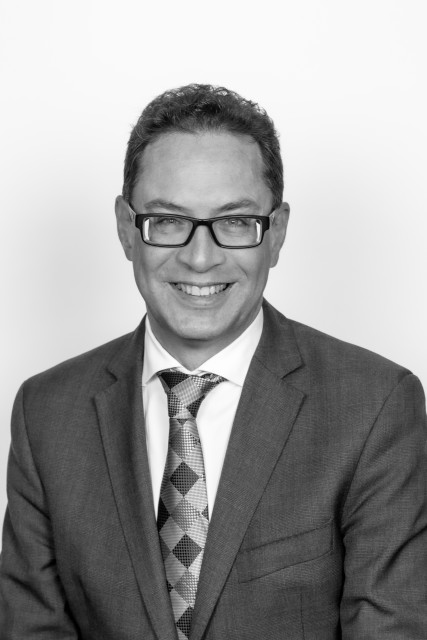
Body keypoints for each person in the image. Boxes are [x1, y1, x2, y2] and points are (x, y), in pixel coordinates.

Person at [0, 84, 426, 640]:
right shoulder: (45, 413)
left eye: (235, 222)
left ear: (277, 233)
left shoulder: (375, 407)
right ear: (127, 228)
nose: (200, 258)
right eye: (168, 220)